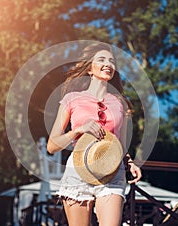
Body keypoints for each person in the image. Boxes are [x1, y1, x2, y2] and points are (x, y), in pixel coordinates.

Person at [47, 43, 142, 226]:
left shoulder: (120, 103)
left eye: (112, 61)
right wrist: (78, 130)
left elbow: (120, 142)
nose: (109, 64)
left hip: (112, 171)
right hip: (78, 170)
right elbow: (52, 146)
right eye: (102, 60)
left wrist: (130, 162)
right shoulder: (71, 99)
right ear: (90, 68)